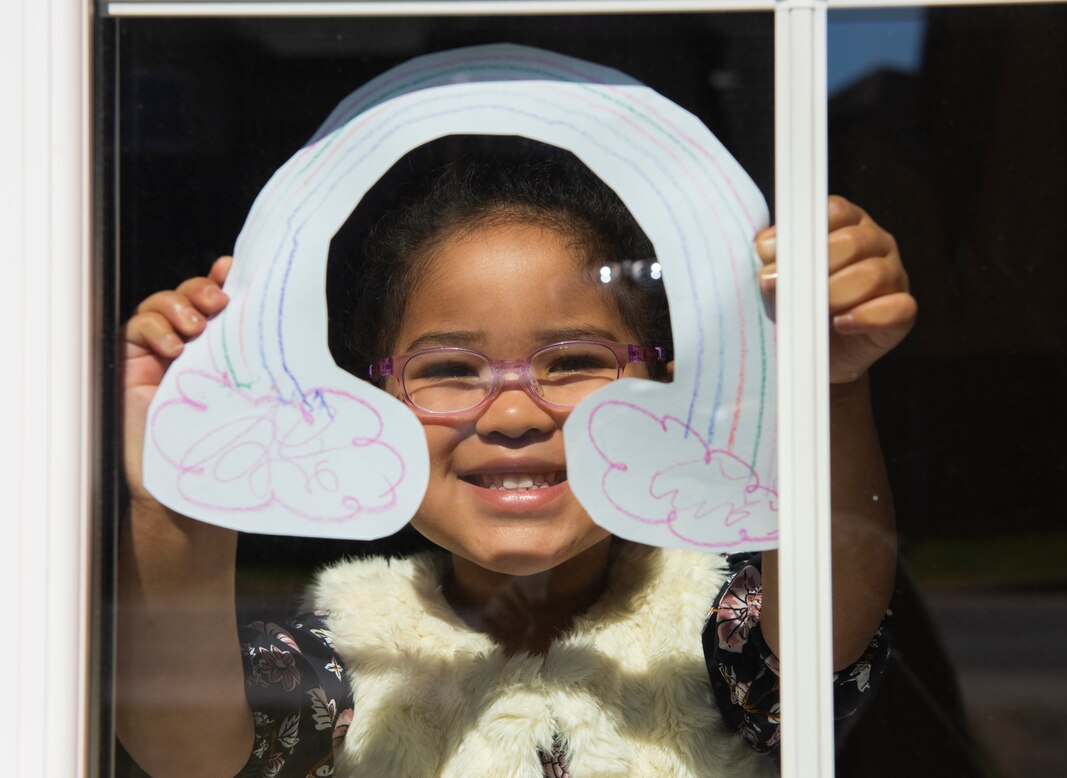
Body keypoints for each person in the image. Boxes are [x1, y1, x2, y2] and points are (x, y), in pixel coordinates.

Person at [117, 141, 916, 777]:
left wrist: (829, 386)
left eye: (571, 362)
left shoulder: (719, 633)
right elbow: (187, 751)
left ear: (663, 391)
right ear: (371, 410)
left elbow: (822, 643)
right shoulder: (346, 661)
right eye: (448, 370)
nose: (508, 414)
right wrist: (178, 481)